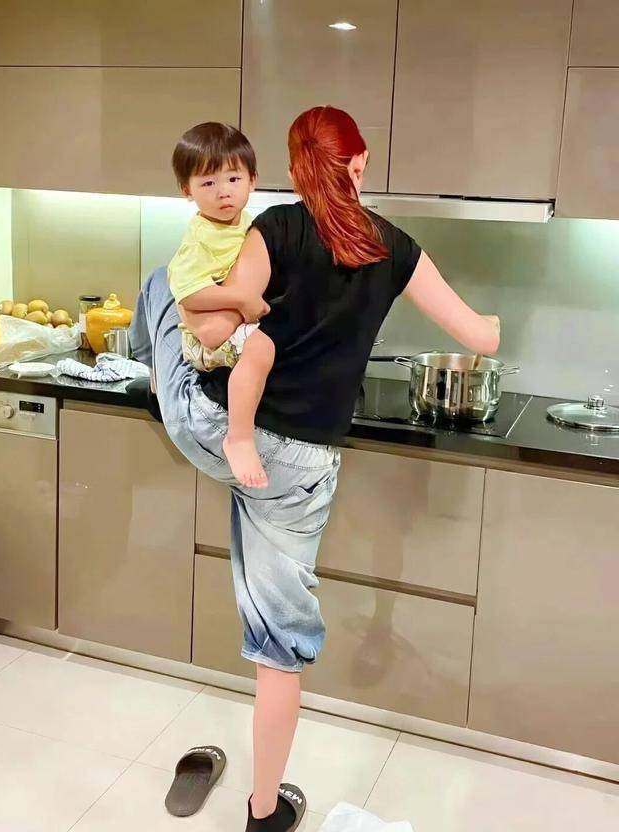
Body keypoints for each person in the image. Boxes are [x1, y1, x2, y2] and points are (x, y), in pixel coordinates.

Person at [130, 105, 500, 832]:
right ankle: (264, 812)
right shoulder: (396, 248)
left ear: (295, 170)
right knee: (278, 650)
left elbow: (211, 326)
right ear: (360, 163)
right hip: (298, 467)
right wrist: (491, 328)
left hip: (217, 430)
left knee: (157, 284)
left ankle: (151, 374)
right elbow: (480, 339)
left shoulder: (273, 229)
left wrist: (234, 310)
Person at [169, 122, 275, 488]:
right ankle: (239, 438)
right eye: (208, 183)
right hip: (200, 341)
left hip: (228, 328)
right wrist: (242, 298)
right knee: (262, 349)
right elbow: (188, 294)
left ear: (252, 181)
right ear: (187, 190)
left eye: (233, 178)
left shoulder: (248, 224)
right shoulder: (201, 238)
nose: (223, 192)